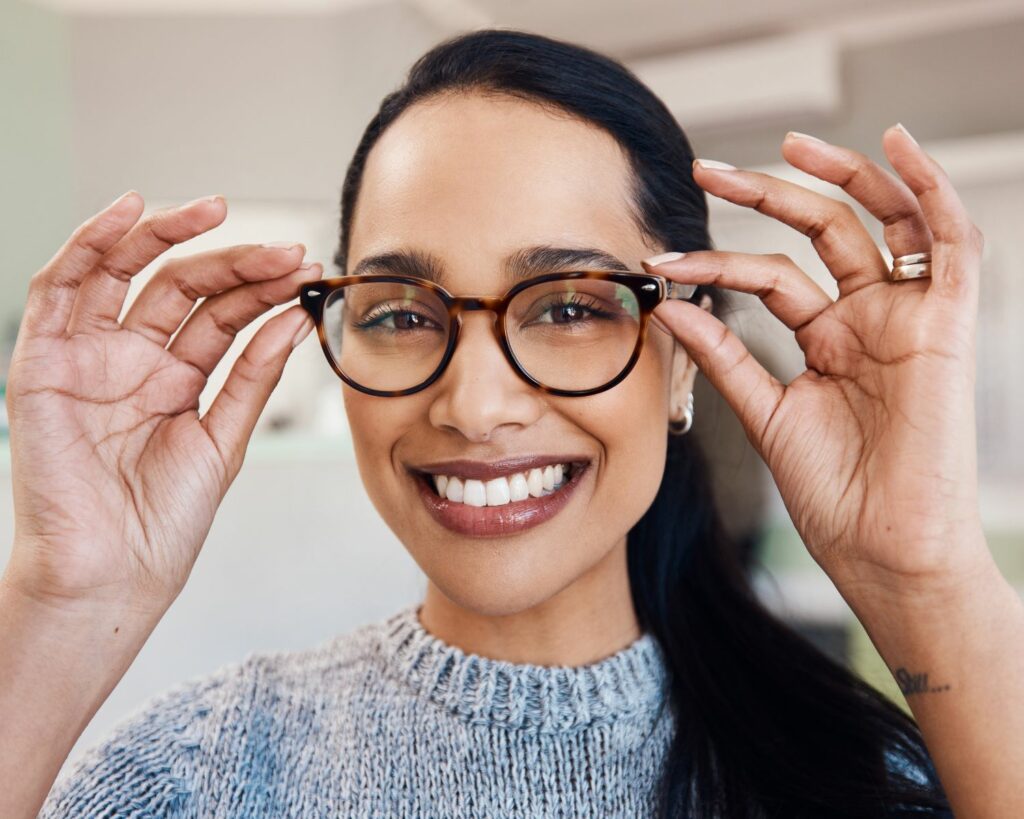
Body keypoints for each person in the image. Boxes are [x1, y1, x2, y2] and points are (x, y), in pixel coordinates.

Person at [1, 28, 1019, 819]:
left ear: (684, 359)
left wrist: (923, 577)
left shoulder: (865, 779)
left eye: (570, 306)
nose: (476, 407)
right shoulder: (191, 773)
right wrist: (64, 601)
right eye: (400, 314)